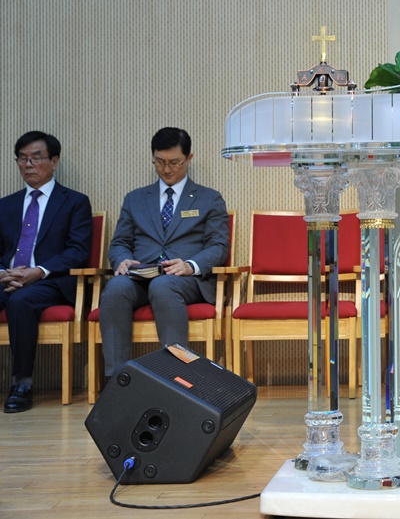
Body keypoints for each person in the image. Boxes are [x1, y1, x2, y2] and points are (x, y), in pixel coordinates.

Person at [99, 127, 229, 379]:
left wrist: (190, 265)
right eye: (160, 162)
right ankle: (117, 380)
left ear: (189, 158)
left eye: (174, 162)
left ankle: (177, 377)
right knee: (115, 288)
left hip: (185, 280)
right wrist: (121, 259)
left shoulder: (209, 198)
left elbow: (219, 245)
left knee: (163, 285)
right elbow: (120, 243)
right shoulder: (135, 199)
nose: (167, 169)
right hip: (140, 276)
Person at [0, 131, 92, 413]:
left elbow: (78, 251)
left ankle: (22, 384)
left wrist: (38, 271)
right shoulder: (5, 205)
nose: (28, 164)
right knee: (16, 295)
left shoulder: (74, 202)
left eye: (36, 158)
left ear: (54, 161)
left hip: (51, 281)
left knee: (21, 301)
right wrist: (3, 272)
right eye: (22, 158)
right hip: (7, 278)